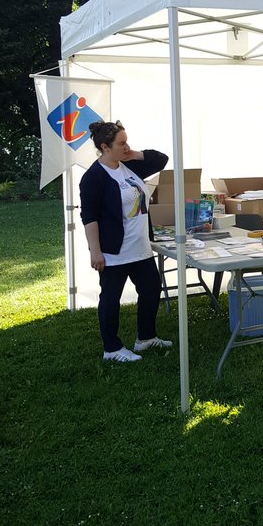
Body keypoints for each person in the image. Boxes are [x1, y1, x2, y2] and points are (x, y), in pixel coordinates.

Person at [79, 121, 172, 362]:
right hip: (114, 251)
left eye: (126, 141)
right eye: (121, 143)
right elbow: (89, 217)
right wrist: (95, 251)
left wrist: (135, 154)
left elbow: (161, 159)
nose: (126, 146)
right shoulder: (93, 177)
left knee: (151, 290)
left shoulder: (129, 167)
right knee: (111, 298)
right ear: (104, 147)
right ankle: (111, 348)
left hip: (140, 248)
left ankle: (146, 338)